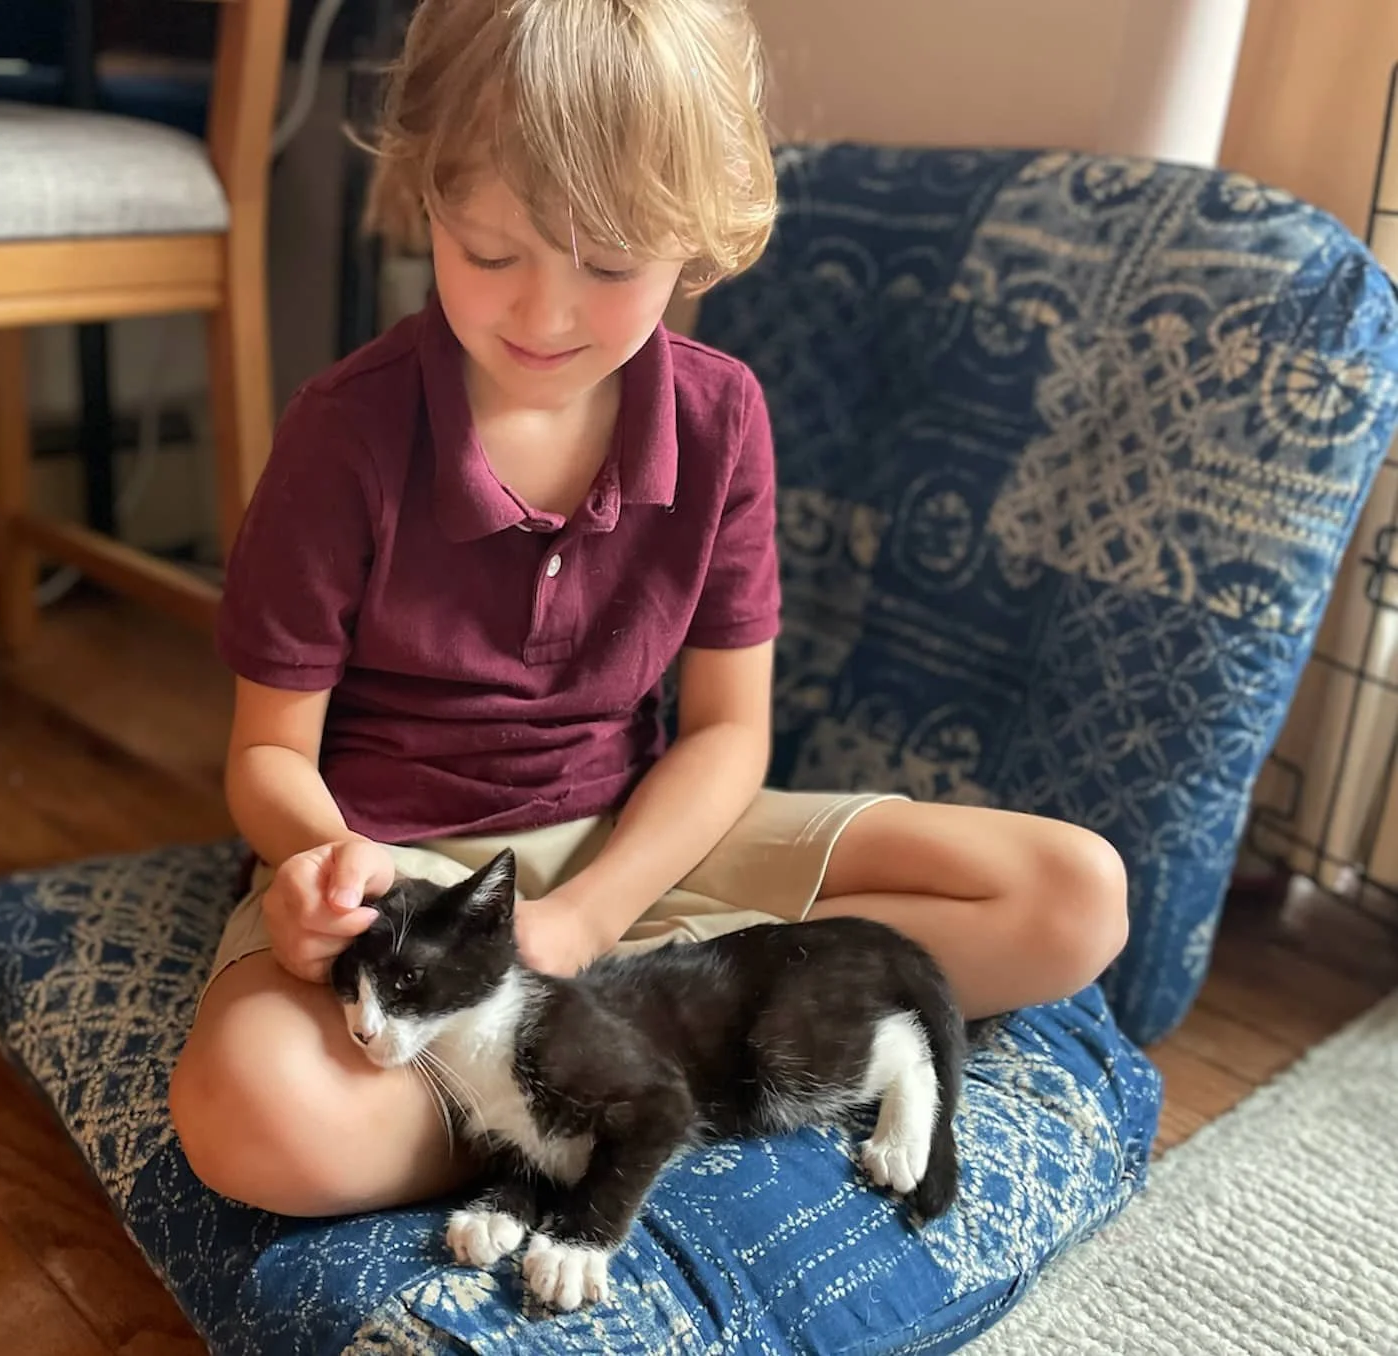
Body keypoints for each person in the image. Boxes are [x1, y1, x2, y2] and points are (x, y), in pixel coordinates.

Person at [168, 0, 1129, 1220]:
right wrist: (321, 869)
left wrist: (582, 922)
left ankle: (577, 1067)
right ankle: (621, 1072)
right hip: (409, 883)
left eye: (610, 266)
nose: (543, 315)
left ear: (698, 244)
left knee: (1072, 896)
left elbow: (728, 734)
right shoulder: (342, 434)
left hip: (633, 852)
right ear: (428, 202)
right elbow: (265, 754)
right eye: (489, 250)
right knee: (253, 1123)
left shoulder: (721, 418)